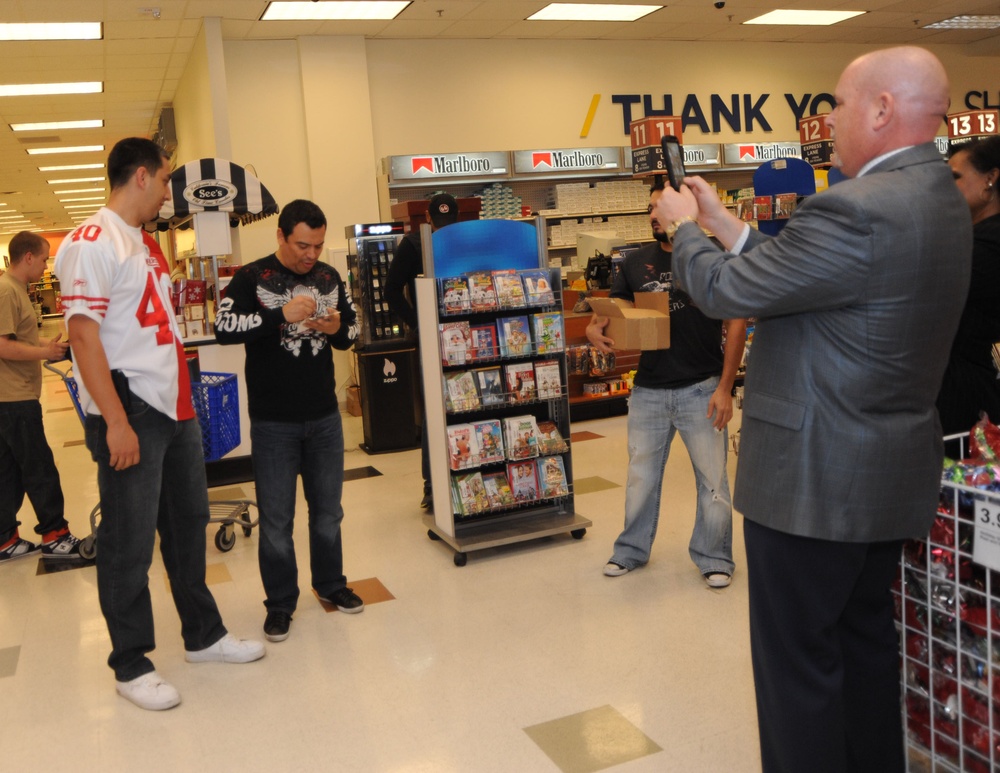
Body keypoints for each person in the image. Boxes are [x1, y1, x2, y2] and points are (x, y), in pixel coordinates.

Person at [652, 47, 972, 772]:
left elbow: (728, 294)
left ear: (882, 109)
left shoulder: (855, 207)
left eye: (837, 102)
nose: (827, 117)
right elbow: (797, 273)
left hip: (812, 485)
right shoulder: (941, 199)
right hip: (884, 481)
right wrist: (725, 225)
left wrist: (682, 231)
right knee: (862, 651)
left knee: (797, 671)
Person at [55, 137, 265, 712]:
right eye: (168, 178)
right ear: (142, 176)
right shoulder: (91, 243)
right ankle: (130, 663)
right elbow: (82, 336)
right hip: (133, 410)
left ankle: (203, 634)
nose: (171, 189)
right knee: (128, 540)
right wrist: (116, 422)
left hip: (174, 405)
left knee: (187, 522)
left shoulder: (145, 246)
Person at [214, 198, 363, 643]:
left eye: (317, 246)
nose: (311, 255)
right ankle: (280, 603)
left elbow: (352, 330)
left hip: (323, 417)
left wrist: (335, 327)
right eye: (302, 245)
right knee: (277, 521)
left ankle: (332, 585)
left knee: (328, 514)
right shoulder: (250, 277)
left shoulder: (330, 277)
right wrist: (281, 314)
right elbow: (224, 328)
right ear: (280, 236)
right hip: (273, 422)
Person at [587, 182, 745, 588]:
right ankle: (630, 551)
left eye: (661, 206)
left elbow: (736, 321)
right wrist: (594, 326)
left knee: (714, 481)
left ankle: (715, 558)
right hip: (649, 390)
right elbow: (613, 311)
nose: (654, 214)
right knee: (641, 477)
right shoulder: (635, 262)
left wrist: (725, 387)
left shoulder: (711, 256)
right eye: (651, 208)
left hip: (702, 388)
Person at [0, 231, 82, 562]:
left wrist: (45, 350)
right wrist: (43, 351)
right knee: (39, 467)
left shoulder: (16, 290)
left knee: (9, 470)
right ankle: (55, 534)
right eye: (45, 258)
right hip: (14, 399)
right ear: (29, 257)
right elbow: (2, 345)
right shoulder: (7, 291)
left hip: (12, 398)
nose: (47, 265)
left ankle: (5, 538)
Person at [384, 192, 459, 511]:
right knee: (448, 407)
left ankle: (434, 486)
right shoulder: (461, 240)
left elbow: (390, 291)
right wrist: (419, 325)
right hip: (462, 335)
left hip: (434, 338)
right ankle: (437, 482)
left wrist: (417, 324)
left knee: (433, 409)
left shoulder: (413, 244)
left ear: (427, 217)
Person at [937, 136, 1000, 445]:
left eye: (956, 177)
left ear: (990, 178)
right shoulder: (974, 238)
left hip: (964, 394)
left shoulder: (988, 245)